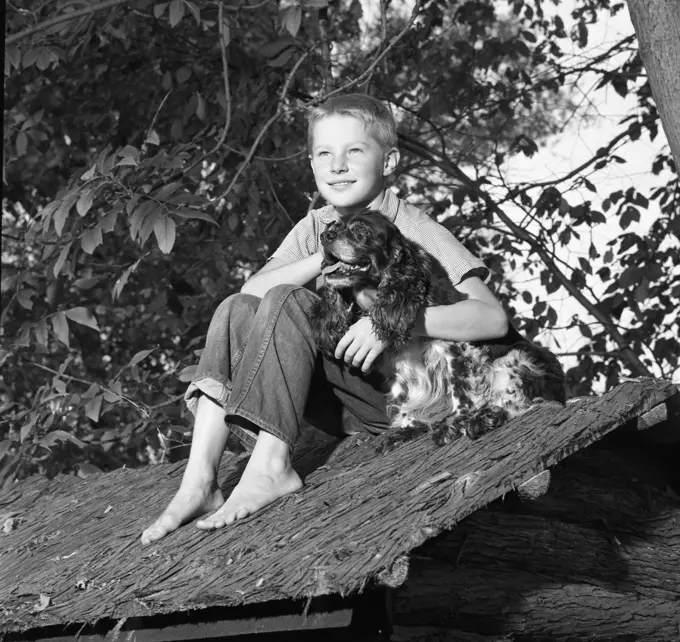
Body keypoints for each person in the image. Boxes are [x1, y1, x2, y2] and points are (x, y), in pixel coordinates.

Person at [140, 93, 510, 545]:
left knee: (289, 302)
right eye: (324, 154)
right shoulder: (316, 227)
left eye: (354, 151)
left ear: (389, 159)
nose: (338, 165)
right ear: (312, 164)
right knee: (237, 308)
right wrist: (328, 254)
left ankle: (272, 467)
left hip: (401, 398)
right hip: (338, 400)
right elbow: (249, 293)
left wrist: (391, 322)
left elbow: (492, 319)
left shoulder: (416, 230)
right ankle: (200, 481)